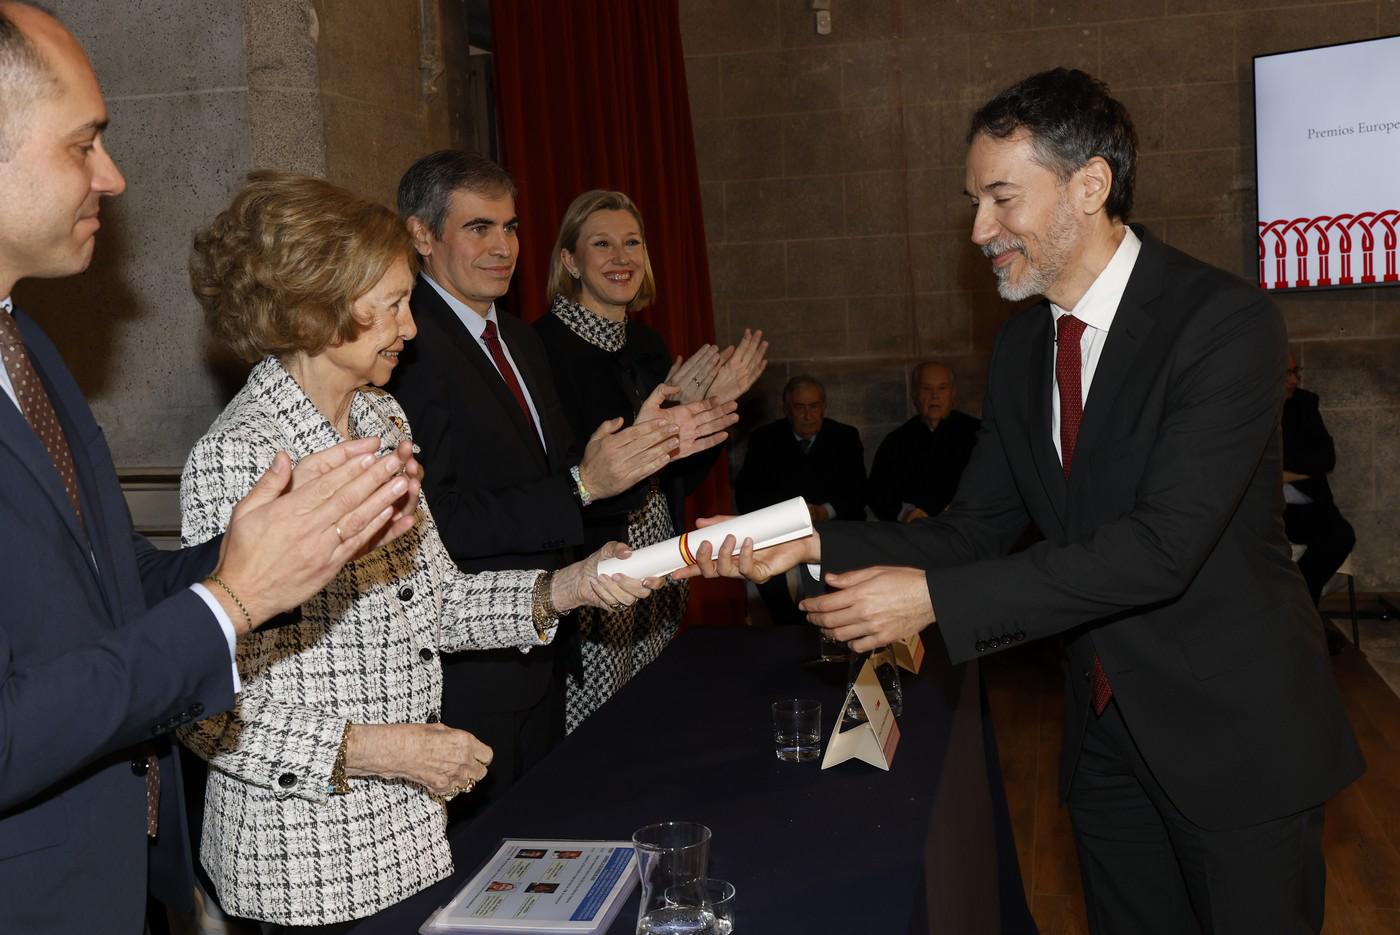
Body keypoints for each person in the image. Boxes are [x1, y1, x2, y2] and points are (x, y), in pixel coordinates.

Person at [690, 68, 1363, 933]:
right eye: (974, 203)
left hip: (1235, 739)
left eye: (1001, 199)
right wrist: (807, 541)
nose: (979, 230)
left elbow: (1161, 547)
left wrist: (931, 600)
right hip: (1104, 740)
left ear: (1090, 184)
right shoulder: (1019, 352)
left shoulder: (1222, 323)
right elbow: (976, 528)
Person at [0, 6, 420, 934]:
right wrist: (231, 601)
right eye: (83, 144)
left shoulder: (28, 345)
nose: (113, 175)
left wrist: (286, 544)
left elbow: (118, 587)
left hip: (116, 877)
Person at [177, 172, 653, 931]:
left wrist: (572, 585)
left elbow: (437, 599)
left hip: (409, 835)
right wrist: (386, 750)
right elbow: (206, 708)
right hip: (307, 859)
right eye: (394, 304)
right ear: (318, 307)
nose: (412, 326)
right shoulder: (242, 457)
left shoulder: (381, 416)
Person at [390, 152, 738, 812]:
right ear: (422, 234)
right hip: (469, 671)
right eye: (479, 228)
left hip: (546, 650)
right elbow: (440, 522)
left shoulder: (519, 340)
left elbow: (565, 478)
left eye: (511, 227)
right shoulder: (408, 347)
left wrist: (640, 453)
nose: (503, 247)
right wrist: (583, 484)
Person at [535, 189, 766, 731]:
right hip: (595, 568)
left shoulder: (646, 346)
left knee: (651, 721)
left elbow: (677, 478)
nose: (622, 258)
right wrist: (661, 430)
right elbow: (560, 484)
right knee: (597, 735)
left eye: (632, 243)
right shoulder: (540, 349)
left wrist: (708, 414)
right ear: (570, 261)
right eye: (602, 244)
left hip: (660, 561)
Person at [735, 374, 866, 625]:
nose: (808, 415)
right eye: (799, 407)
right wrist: (784, 518)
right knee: (781, 611)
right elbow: (747, 494)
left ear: (824, 406)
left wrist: (825, 511)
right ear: (787, 409)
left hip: (833, 532)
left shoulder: (845, 437)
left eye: (814, 406)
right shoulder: (765, 440)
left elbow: (858, 491)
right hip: (778, 536)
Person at [1282, 351, 1356, 628]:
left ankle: (1296, 607)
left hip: (1308, 503)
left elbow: (1325, 459)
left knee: (1341, 535)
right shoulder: (1247, 406)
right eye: (1287, 374)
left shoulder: (1304, 404)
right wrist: (1292, 469)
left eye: (1296, 372)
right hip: (1267, 508)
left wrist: (1283, 472)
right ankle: (1300, 618)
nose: (1294, 380)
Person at [867, 361, 981, 522]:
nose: (935, 396)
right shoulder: (897, 441)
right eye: (926, 388)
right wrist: (906, 514)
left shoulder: (978, 434)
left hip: (967, 525)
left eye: (942, 388)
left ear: (953, 393)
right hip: (915, 531)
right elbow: (879, 495)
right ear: (915, 395)